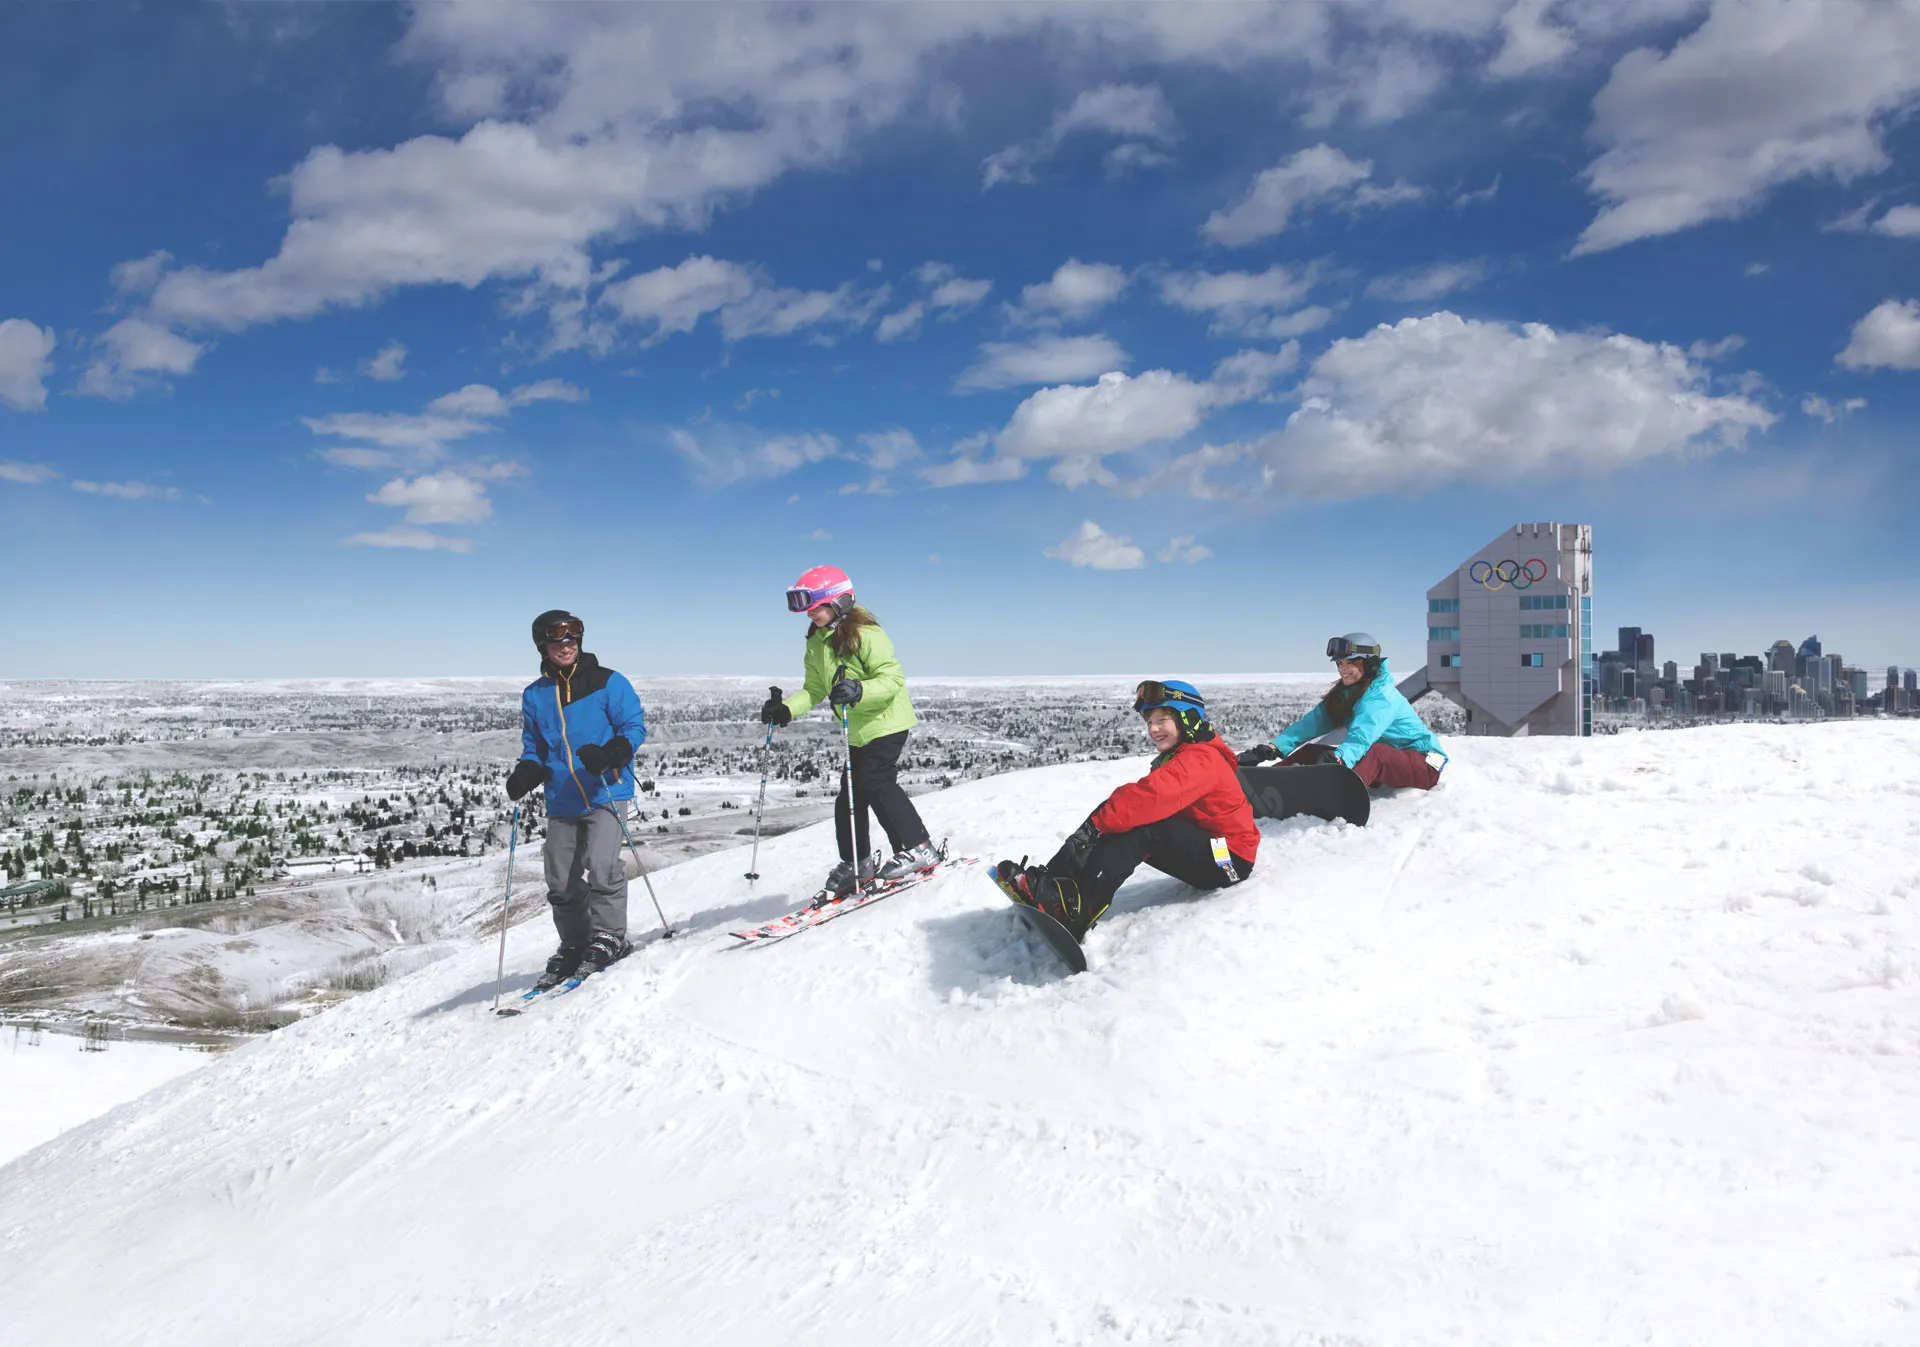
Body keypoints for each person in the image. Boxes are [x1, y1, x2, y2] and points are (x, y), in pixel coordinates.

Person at [995, 680, 1260, 941]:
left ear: (1188, 719)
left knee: (1143, 825)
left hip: (1229, 860)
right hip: (1212, 846)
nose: (1153, 729)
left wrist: (1093, 827)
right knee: (1121, 818)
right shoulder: (1185, 754)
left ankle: (1077, 910)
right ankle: (1054, 886)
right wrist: (1093, 829)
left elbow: (1149, 798)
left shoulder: (1201, 757)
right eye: (1149, 723)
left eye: (1162, 720)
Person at [759, 565, 938, 899]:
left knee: (877, 783)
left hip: (886, 721)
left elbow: (892, 678)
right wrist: (786, 710)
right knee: (849, 799)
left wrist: (859, 690)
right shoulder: (817, 641)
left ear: (838, 601)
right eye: (805, 606)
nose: (810, 613)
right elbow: (814, 688)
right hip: (856, 730)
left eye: (816, 605)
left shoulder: (866, 633)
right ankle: (858, 863)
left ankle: (920, 847)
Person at [505, 609, 648, 991]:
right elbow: (534, 746)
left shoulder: (608, 682)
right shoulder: (535, 695)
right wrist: (528, 771)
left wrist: (613, 752)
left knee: (602, 867)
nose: (565, 647)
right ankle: (575, 942)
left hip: (606, 788)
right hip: (562, 796)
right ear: (543, 646)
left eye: (570, 640)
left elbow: (633, 727)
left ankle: (610, 937)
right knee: (560, 879)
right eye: (556, 641)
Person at [1238, 633, 1446, 789]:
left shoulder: (1381, 697)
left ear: (1370, 664)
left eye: (1350, 663)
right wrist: (1273, 748)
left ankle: (1340, 794)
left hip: (1426, 762)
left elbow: (1362, 737)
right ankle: (1265, 786)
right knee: (1311, 751)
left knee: (1376, 753)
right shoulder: (1347, 694)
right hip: (1392, 759)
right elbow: (1311, 724)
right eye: (1339, 664)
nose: (1342, 669)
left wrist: (1341, 758)